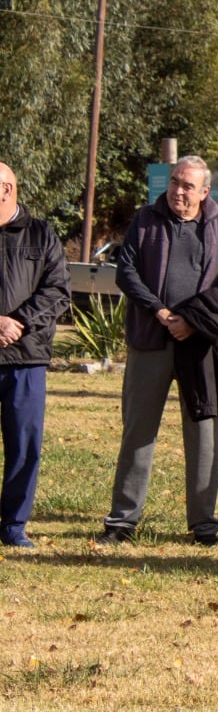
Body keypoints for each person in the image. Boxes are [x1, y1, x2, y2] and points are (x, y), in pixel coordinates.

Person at [103, 155, 218, 545]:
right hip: (150, 339)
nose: (179, 191)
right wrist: (160, 311)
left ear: (204, 191)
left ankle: (204, 526)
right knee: (138, 431)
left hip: (198, 347)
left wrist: (192, 321)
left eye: (187, 186)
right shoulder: (145, 220)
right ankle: (122, 522)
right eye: (175, 182)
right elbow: (126, 271)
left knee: (203, 434)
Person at [0, 163, 70, 548]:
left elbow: (58, 291)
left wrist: (17, 323)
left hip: (26, 358)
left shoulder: (41, 234)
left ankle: (13, 524)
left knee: (25, 445)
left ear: (8, 189)